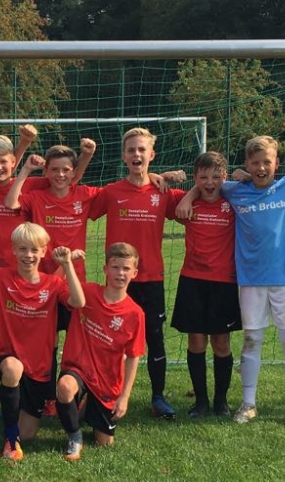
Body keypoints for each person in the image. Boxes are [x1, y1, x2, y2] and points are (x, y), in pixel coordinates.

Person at [177, 115, 285, 430]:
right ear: (247, 164)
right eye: (255, 163)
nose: (261, 168)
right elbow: (208, 183)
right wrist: (190, 194)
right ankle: (248, 404)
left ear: (277, 164)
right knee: (251, 340)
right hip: (249, 281)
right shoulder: (235, 190)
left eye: (267, 162)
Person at [0, 126, 89, 418]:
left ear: (14, 162)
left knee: (46, 339)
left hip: (28, 277)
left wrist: (84, 155)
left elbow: (67, 177)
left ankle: (49, 394)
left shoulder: (33, 185)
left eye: (4, 162)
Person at [0, 223, 85, 461]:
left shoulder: (52, 283)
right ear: (14, 250)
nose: (29, 255)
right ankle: (10, 439)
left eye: (35, 250)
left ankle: (14, 416)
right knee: (13, 369)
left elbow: (78, 302)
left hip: (39, 366)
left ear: (44, 252)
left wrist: (68, 265)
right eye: (23, 249)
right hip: (6, 356)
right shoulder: (1, 277)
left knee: (28, 433)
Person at [88, 127, 187, 420]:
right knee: (111, 338)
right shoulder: (111, 192)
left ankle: (158, 397)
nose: (136, 154)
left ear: (151, 155)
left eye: (142, 149)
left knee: (154, 338)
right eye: (131, 150)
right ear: (123, 156)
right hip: (117, 281)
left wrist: (172, 179)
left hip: (151, 278)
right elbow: (84, 208)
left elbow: (200, 197)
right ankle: (105, 393)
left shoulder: (162, 191)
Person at [3, 143, 98, 417]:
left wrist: (156, 177)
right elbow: (11, 203)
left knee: (79, 341)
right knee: (49, 342)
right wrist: (25, 170)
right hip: (43, 284)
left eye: (66, 170)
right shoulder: (37, 197)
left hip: (74, 284)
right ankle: (48, 398)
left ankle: (78, 393)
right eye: (54, 169)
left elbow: (119, 191)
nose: (60, 175)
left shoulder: (85, 195)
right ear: (46, 171)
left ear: (74, 172)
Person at [56, 243, 145, 461]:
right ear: (105, 269)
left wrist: (124, 397)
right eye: (115, 267)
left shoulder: (135, 314)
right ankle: (75, 436)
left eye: (126, 268)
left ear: (134, 273)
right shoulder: (86, 292)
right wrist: (66, 264)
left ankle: (85, 408)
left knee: (104, 442)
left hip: (107, 381)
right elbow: (54, 285)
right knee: (65, 387)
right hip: (78, 368)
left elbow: (133, 356)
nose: (120, 273)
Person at [169, 151, 241, 418]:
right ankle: (200, 401)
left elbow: (256, 184)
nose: (210, 183)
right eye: (203, 177)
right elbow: (153, 185)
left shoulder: (234, 202)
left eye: (216, 177)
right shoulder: (185, 204)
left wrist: (243, 176)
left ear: (224, 177)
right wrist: (189, 194)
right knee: (196, 341)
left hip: (224, 283)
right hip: (193, 281)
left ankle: (221, 402)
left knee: (221, 342)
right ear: (195, 178)